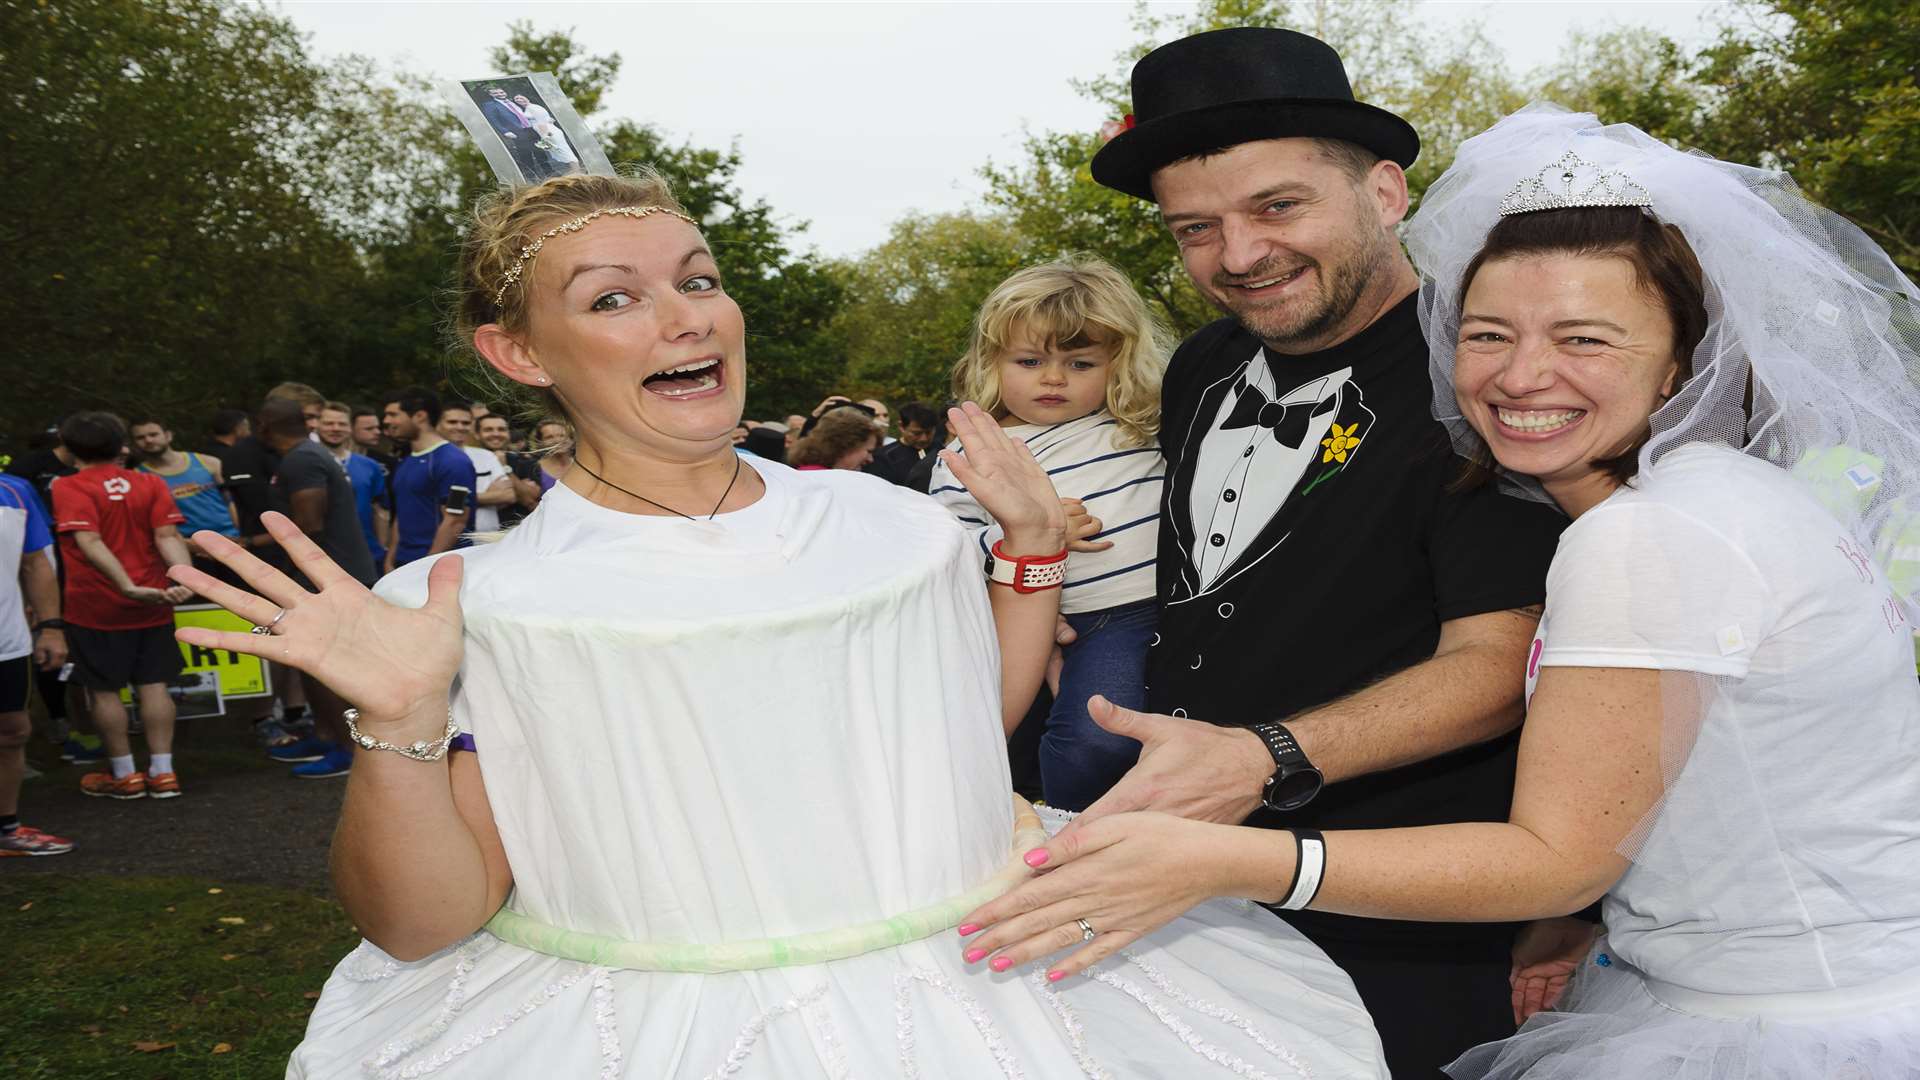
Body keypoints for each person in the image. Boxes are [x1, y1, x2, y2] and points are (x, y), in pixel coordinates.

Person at [171, 169, 1387, 1078]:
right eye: (616, 299)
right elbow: (425, 923)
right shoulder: (475, 608)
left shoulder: (887, 520)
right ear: (517, 351)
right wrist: (400, 721)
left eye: (698, 279)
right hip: (649, 1029)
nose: (687, 317)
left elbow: (966, 729)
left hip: (987, 1003)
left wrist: (1026, 557)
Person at [965, 103, 1920, 1079]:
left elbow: (1560, 850)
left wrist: (1227, 858)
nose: (1522, 374)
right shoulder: (1719, 499)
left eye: (1585, 339)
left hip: (1784, 1022)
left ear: (1685, 354)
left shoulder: (1652, 535)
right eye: (1488, 333)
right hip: (1707, 974)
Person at [1038, 27, 1567, 1075]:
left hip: (1399, 920)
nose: (1238, 256)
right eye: (1196, 229)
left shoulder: (1488, 379)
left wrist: (1263, 757)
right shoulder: (1199, 362)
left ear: (1384, 192)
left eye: (1278, 207)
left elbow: (1501, 663)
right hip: (1189, 900)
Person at [930, 257, 1171, 811]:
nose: (1054, 378)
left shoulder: (1140, 425)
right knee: (1090, 743)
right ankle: (1070, 836)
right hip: (1068, 619)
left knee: (1128, 738)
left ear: (1120, 364)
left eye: (1080, 362)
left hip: (1158, 607)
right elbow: (951, 546)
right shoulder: (974, 451)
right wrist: (1017, 535)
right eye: (1030, 360)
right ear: (993, 362)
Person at [49, 412, 194, 800]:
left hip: (96, 604)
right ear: (121, 445)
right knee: (153, 684)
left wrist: (126, 586)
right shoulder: (150, 482)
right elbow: (167, 536)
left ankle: (126, 774)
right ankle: (163, 772)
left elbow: (89, 541)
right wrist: (183, 578)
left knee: (103, 691)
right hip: (154, 597)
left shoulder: (68, 486)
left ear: (68, 449)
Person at [260, 400, 378, 780]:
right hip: (324, 572)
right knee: (309, 663)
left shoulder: (302, 460)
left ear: (266, 428)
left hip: (328, 575)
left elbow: (307, 524)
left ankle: (349, 748)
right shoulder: (308, 455)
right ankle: (327, 736)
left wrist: (249, 544)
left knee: (325, 663)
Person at [0, 471, 73, 854]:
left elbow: (37, 563)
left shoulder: (13, 490)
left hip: (6, 640)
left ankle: (6, 827)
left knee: (12, 731)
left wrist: (51, 627)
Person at [382, 387, 475, 571]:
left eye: (393, 414)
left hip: (436, 569)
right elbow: (402, 513)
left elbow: (455, 520)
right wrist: (390, 559)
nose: (386, 421)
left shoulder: (453, 462)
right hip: (404, 565)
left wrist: (427, 567)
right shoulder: (407, 460)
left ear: (420, 416)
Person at [129, 417, 242, 548]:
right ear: (134, 443)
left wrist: (240, 534)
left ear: (168, 435)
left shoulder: (208, 462)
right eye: (140, 438)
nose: (148, 440)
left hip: (232, 538)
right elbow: (150, 523)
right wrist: (188, 545)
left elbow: (231, 501)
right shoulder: (137, 477)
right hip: (189, 546)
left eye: (153, 434)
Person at [319, 401, 391, 570]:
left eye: (342, 424)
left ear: (350, 428)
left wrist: (381, 547)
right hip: (323, 555)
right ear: (316, 426)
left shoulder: (370, 465)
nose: (335, 428)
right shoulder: (306, 462)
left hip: (367, 553)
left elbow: (380, 509)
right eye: (329, 423)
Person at [437, 403, 513, 534]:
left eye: (466, 423)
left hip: (487, 540)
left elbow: (509, 496)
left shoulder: (485, 456)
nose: (459, 427)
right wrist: (488, 496)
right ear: (437, 424)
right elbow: (436, 501)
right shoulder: (430, 458)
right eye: (452, 422)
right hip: (445, 538)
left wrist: (455, 499)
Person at [477, 85, 551, 182]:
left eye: (501, 92)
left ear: (505, 92)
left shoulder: (513, 101)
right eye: (496, 93)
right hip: (517, 133)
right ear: (491, 94)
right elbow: (493, 120)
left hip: (531, 129)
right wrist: (505, 131)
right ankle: (533, 178)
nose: (500, 94)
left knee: (540, 152)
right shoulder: (490, 105)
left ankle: (549, 173)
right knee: (526, 156)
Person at [869, 401, 941, 486]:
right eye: (916, 433)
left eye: (929, 432)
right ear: (901, 426)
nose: (923, 439)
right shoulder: (884, 457)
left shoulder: (942, 451)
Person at [787, 405, 879, 470]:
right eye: (868, 451)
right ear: (845, 446)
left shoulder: (807, 475)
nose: (870, 459)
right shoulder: (820, 483)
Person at [513, 92, 580, 175]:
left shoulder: (532, 107)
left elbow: (541, 122)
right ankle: (575, 171)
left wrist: (545, 136)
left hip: (549, 132)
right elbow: (548, 119)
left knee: (563, 150)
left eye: (521, 97)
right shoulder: (530, 108)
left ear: (526, 98)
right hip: (547, 131)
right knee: (560, 151)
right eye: (516, 99)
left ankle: (576, 171)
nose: (519, 100)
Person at [349, 405, 396, 472]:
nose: (378, 432)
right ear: (350, 429)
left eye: (377, 428)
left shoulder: (388, 462)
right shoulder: (334, 460)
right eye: (369, 429)